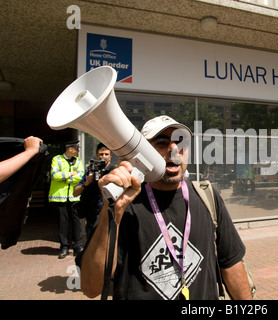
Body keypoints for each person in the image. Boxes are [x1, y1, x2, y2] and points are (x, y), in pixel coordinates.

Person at [78, 115, 252, 300]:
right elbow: (90, 287)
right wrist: (112, 211)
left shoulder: (208, 197)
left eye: (181, 142)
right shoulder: (126, 204)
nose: (174, 149)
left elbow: (231, 264)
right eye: (162, 143)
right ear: (143, 153)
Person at [48, 140, 84, 259]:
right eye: (76, 148)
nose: (78, 150)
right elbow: (54, 175)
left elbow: (80, 175)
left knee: (76, 222)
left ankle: (77, 247)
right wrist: (70, 174)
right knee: (62, 223)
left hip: (74, 196)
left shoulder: (78, 161)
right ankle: (64, 247)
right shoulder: (56, 159)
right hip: (60, 197)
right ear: (70, 149)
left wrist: (66, 178)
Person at [74, 143, 116, 239]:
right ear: (97, 155)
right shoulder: (91, 171)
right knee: (91, 242)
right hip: (92, 213)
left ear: (110, 156)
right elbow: (75, 192)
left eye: (106, 154)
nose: (103, 157)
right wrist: (86, 183)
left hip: (110, 212)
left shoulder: (114, 171)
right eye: (101, 154)